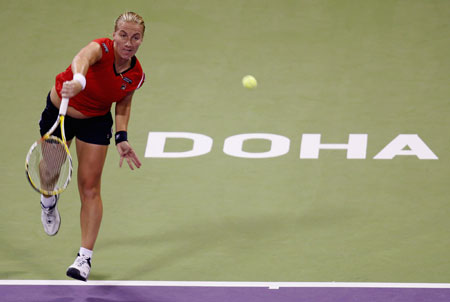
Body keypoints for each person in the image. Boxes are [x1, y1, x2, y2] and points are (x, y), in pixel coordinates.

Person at [38, 12, 146, 281]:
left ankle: (84, 258)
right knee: (49, 173)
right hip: (60, 112)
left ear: (141, 40)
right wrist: (79, 81)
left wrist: (122, 137)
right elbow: (82, 59)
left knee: (90, 187)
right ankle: (48, 200)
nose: (128, 42)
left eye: (135, 37)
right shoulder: (101, 48)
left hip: (95, 122)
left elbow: (123, 103)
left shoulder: (136, 74)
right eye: (123, 35)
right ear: (114, 34)